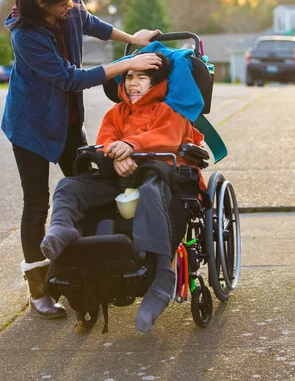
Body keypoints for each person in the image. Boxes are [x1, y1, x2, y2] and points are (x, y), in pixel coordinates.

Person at [1, 0, 163, 319]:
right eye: (65, 2)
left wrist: (132, 40)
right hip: (31, 126)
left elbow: (92, 23)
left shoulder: (70, 9)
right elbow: (69, 78)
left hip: (69, 122)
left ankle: (89, 263)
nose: (72, 6)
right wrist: (122, 66)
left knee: (92, 183)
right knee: (37, 204)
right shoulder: (25, 35)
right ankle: (40, 290)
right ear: (42, 4)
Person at [41, 54, 205, 333]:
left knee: (150, 186)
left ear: (157, 83)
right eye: (129, 76)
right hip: (116, 178)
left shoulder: (171, 110)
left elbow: (167, 137)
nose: (133, 83)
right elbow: (105, 141)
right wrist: (115, 156)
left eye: (141, 77)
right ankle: (62, 228)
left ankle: (163, 274)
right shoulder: (115, 113)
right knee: (69, 185)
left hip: (161, 179)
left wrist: (132, 144)